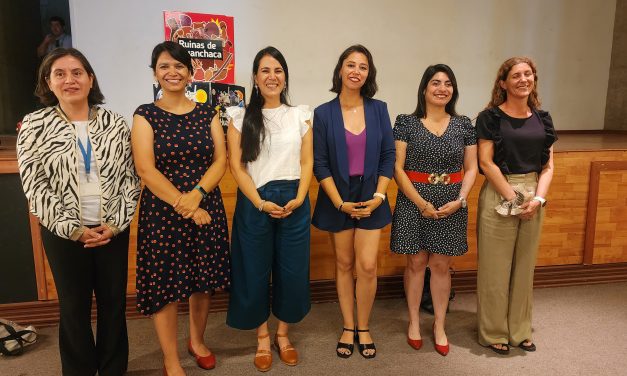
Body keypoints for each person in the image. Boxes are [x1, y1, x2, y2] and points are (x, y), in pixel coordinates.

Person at [16, 48, 140, 375]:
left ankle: (113, 369)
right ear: (48, 82)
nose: (69, 80)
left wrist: (114, 224)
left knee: (114, 306)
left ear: (90, 79)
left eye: (77, 72)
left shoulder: (114, 122)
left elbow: (130, 177)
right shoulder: (34, 125)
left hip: (111, 230)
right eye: (60, 74)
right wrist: (72, 228)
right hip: (63, 234)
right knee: (74, 308)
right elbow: (35, 185)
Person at [132, 41, 230, 375]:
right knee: (167, 286)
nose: (172, 72)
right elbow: (146, 169)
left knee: (202, 281)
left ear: (190, 73)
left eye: (179, 66)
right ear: (155, 73)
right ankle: (171, 358)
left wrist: (198, 194)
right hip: (163, 212)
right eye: (164, 66)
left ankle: (197, 341)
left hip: (206, 205)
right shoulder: (145, 114)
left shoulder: (208, 113)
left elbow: (221, 160)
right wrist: (184, 204)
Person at [225, 46, 313, 372]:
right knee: (254, 270)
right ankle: (262, 337)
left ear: (285, 76)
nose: (272, 76)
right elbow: (236, 167)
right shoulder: (239, 116)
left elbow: (306, 161)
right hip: (255, 201)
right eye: (265, 70)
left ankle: (283, 335)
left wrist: (301, 197)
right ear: (255, 77)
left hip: (294, 200)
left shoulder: (301, 114)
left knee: (291, 272)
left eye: (278, 70)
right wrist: (260, 202)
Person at [312, 44, 395, 359]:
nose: (356, 71)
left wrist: (378, 195)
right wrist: (338, 203)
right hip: (337, 196)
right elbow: (320, 163)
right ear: (340, 70)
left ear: (368, 73)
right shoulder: (323, 113)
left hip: (371, 195)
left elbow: (388, 155)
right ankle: (348, 326)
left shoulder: (379, 109)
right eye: (351, 64)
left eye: (363, 66)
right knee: (344, 264)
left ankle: (364, 326)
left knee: (368, 265)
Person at [390, 64, 477, 356]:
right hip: (414, 200)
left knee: (441, 266)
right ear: (424, 88)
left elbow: (472, 167)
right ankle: (414, 321)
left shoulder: (464, 123)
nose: (442, 88)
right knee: (415, 264)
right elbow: (397, 168)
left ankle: (440, 324)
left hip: (451, 203)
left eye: (448, 83)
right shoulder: (406, 121)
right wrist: (421, 203)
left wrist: (461, 199)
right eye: (436, 82)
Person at [476, 57, 557, 355]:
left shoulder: (543, 118)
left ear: (533, 79)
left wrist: (537, 199)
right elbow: (485, 162)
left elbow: (548, 166)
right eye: (516, 75)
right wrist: (513, 198)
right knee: (495, 269)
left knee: (524, 269)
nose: (523, 79)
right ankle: (493, 331)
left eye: (528, 74)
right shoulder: (489, 117)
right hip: (500, 192)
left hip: (533, 196)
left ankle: (520, 329)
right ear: (503, 83)